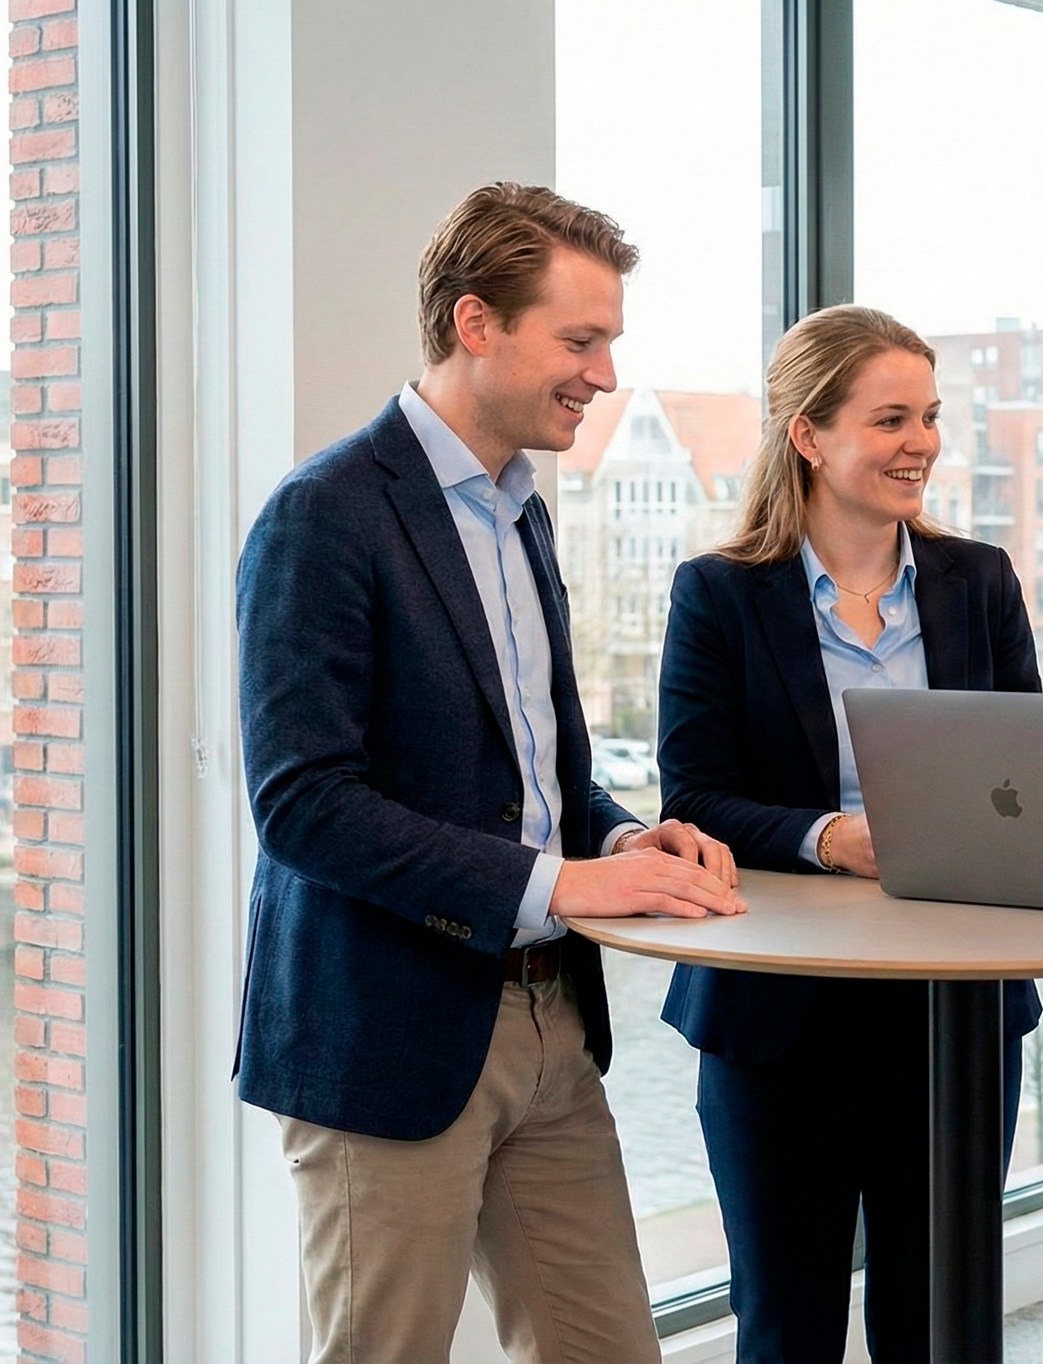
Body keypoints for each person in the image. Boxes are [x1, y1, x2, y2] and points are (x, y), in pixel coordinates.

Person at [235, 182, 745, 1364]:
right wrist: (563, 884)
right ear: (477, 324)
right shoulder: (324, 515)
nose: (604, 373)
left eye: (608, 341)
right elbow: (303, 803)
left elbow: (537, 771)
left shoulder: (523, 513)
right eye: (580, 340)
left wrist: (616, 839)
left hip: (551, 1024)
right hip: (387, 1038)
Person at [654, 305, 1043, 1363]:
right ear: (810, 435)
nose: (919, 441)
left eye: (927, 415)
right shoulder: (719, 595)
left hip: (954, 1013)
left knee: (940, 1323)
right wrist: (834, 837)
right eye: (888, 418)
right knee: (787, 1324)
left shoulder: (980, 583)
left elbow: (1032, 773)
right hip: (781, 1013)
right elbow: (692, 797)